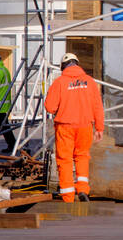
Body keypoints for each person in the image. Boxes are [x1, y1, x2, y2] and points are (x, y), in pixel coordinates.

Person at [44, 52, 104, 202]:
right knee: (82, 157)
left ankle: (68, 195)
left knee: (65, 160)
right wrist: (99, 128)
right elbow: (98, 107)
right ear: (78, 64)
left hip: (65, 127)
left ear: (63, 66)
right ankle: (83, 189)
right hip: (85, 126)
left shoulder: (59, 82)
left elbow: (50, 107)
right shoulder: (89, 82)